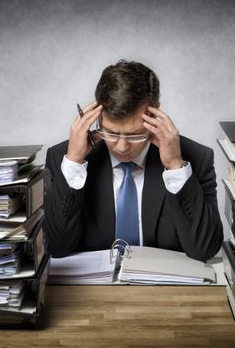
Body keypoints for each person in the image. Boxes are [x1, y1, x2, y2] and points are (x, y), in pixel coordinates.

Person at [44, 60, 223, 262]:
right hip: (92, 291)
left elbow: (204, 249)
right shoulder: (64, 159)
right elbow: (56, 247)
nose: (122, 147)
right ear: (98, 117)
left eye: (135, 135)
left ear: (155, 113)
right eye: (110, 133)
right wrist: (74, 164)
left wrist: (175, 167)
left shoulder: (195, 158)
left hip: (165, 290)